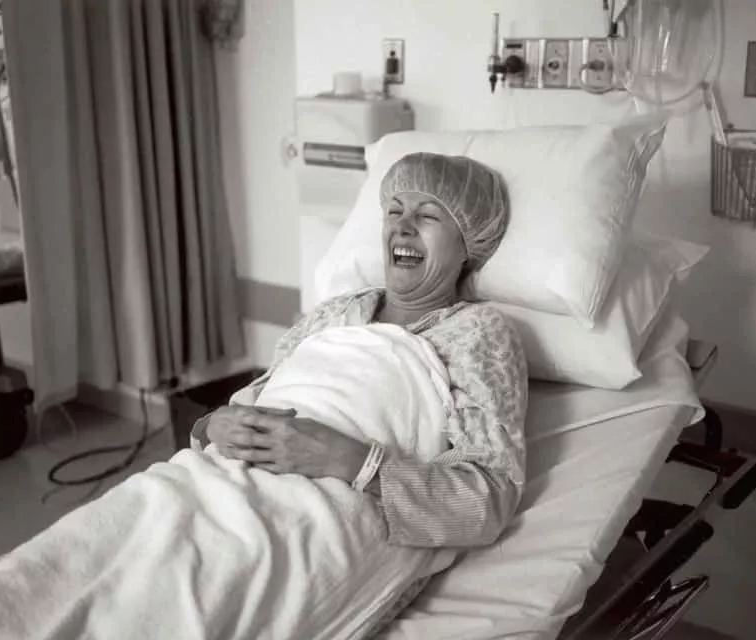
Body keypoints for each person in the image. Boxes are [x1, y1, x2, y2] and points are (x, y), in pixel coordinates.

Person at [191, 152, 529, 614]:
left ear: (469, 244)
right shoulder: (334, 312)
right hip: (217, 480)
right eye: (395, 211)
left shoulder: (478, 333)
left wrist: (350, 460)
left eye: (428, 215)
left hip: (315, 517)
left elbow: (487, 501)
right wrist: (213, 425)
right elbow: (253, 401)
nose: (403, 227)